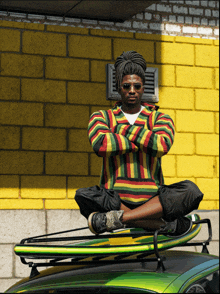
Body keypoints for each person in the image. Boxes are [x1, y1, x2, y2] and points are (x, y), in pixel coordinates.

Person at [75, 50, 203, 236]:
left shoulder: (160, 117)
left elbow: (161, 145)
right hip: (115, 198)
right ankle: (160, 224)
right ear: (118, 87)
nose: (132, 91)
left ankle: (118, 220)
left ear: (144, 87)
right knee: (83, 195)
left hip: (153, 199)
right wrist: (146, 139)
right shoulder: (101, 116)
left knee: (191, 191)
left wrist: (120, 129)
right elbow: (101, 145)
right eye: (127, 86)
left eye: (137, 86)